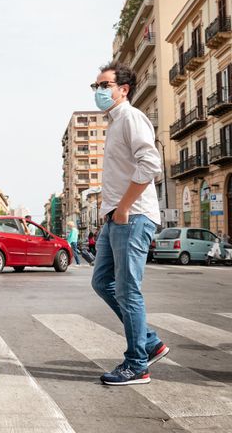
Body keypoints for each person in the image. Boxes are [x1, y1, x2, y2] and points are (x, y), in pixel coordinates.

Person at [90, 62, 169, 386]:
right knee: (102, 282)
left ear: (123, 89)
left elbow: (151, 163)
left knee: (127, 289)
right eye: (95, 86)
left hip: (132, 216)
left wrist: (123, 208)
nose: (99, 91)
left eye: (104, 85)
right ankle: (149, 343)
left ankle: (137, 363)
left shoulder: (131, 117)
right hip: (116, 218)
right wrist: (109, 213)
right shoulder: (116, 122)